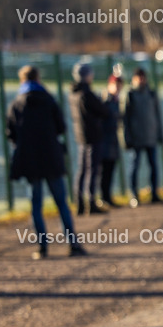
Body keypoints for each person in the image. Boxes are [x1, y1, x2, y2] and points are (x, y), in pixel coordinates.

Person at [6, 65, 86, 259]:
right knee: (61, 202)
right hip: (51, 158)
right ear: (38, 79)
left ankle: (42, 247)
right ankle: (73, 244)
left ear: (22, 80)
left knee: (35, 205)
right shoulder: (49, 100)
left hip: (30, 161)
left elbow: (11, 133)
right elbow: (61, 127)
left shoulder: (16, 104)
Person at [123, 68, 163, 207]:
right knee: (134, 167)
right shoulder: (130, 94)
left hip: (151, 137)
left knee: (153, 166)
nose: (141, 80)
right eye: (138, 77)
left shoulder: (151, 94)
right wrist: (126, 138)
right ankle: (134, 195)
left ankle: (154, 193)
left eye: (143, 77)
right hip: (136, 138)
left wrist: (160, 134)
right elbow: (124, 119)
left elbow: (157, 115)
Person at [69, 62, 107, 215]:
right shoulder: (87, 94)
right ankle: (90, 202)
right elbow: (102, 111)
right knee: (92, 170)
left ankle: (79, 202)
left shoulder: (73, 93)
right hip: (92, 135)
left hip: (81, 136)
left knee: (82, 170)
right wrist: (102, 100)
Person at [98, 73, 123, 208]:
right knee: (103, 172)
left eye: (119, 85)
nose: (118, 87)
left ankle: (108, 197)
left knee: (110, 170)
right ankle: (103, 197)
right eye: (115, 84)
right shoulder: (104, 100)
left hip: (113, 141)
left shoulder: (118, 100)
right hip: (103, 141)